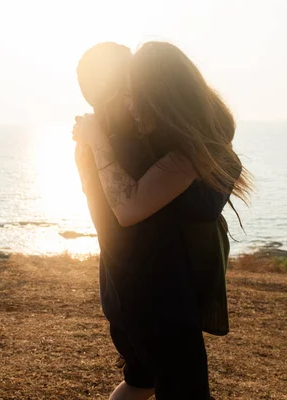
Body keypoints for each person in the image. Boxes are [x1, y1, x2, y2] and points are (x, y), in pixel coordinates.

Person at [74, 42, 250, 399]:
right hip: (157, 301)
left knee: (141, 381)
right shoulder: (130, 148)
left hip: (123, 291)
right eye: (128, 86)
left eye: (136, 89)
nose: (130, 102)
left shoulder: (107, 145)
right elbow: (128, 209)